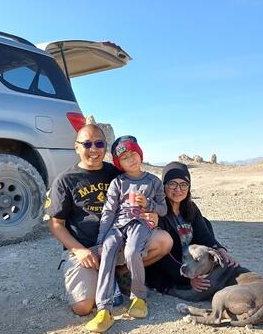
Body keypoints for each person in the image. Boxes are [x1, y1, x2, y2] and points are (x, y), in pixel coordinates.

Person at [47, 125, 172, 316]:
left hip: (119, 241)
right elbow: (56, 224)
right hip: (86, 250)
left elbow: (148, 199)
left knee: (163, 241)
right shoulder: (65, 180)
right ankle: (96, 279)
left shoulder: (117, 174)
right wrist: (78, 251)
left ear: (105, 147)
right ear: (76, 147)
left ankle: (120, 271)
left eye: (99, 143)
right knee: (83, 307)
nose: (94, 149)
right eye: (87, 144)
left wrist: (152, 214)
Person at [85, 136, 167, 333]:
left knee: (132, 252)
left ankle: (138, 296)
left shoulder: (153, 181)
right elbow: (109, 211)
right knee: (107, 250)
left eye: (133, 154)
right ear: (118, 163)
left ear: (140, 154)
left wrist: (149, 204)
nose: (131, 159)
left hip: (141, 223)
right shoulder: (118, 182)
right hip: (118, 224)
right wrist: (101, 238)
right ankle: (104, 308)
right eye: (125, 158)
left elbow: (163, 209)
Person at [145, 161, 248, 297]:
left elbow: (205, 236)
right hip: (168, 269)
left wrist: (221, 251)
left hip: (189, 262)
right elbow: (164, 257)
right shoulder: (158, 210)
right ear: (164, 186)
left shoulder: (190, 208)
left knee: (205, 223)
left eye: (183, 184)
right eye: (172, 184)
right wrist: (186, 277)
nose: (178, 189)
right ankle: (171, 287)